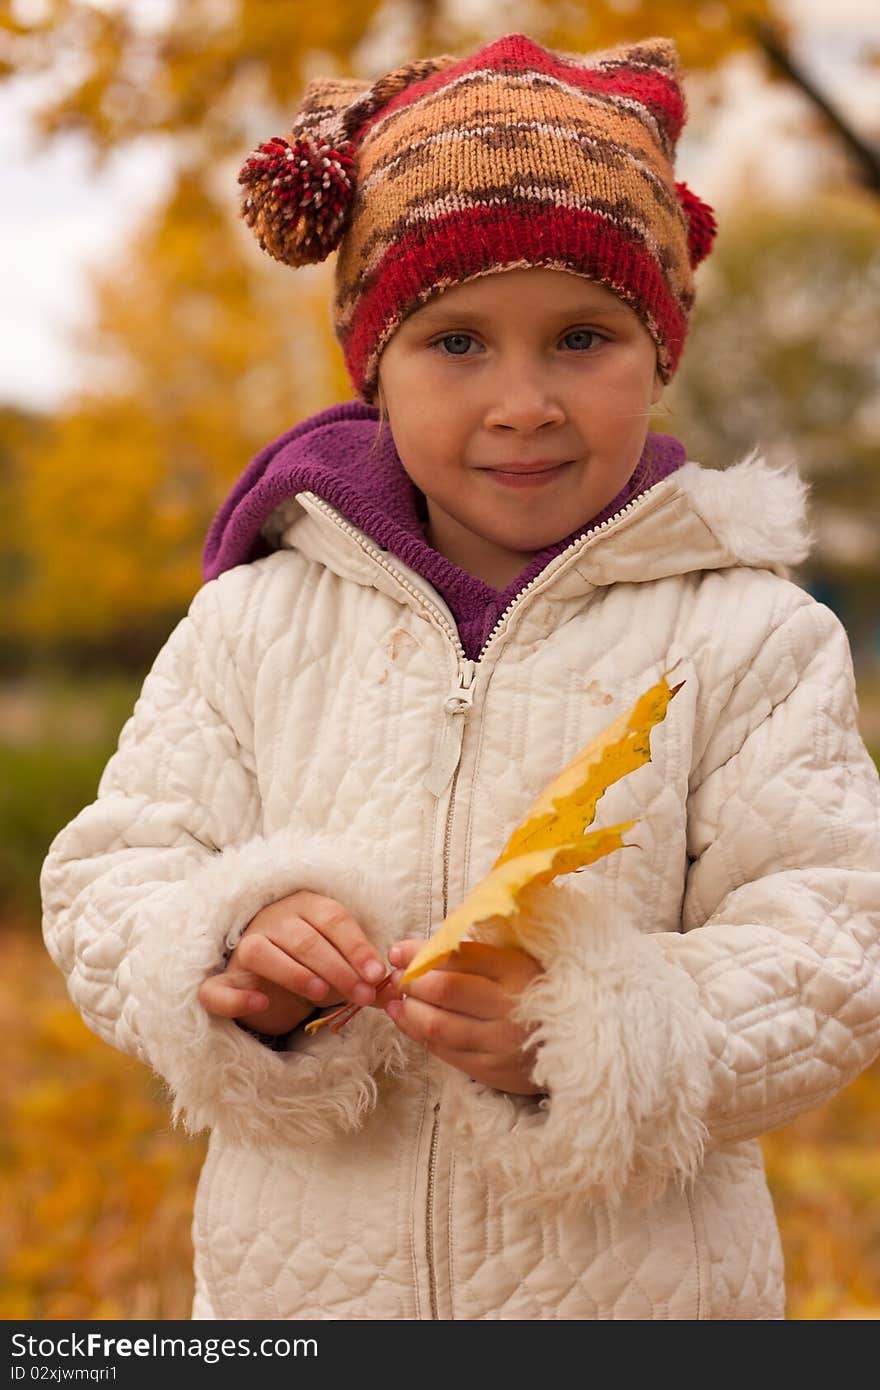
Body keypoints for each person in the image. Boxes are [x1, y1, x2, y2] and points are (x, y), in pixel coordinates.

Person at [40, 32, 880, 1321]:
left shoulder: (750, 638)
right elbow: (114, 869)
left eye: (584, 337)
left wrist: (603, 1029)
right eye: (459, 344)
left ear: (661, 356)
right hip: (302, 1303)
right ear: (373, 364)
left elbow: (834, 935)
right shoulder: (256, 621)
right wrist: (221, 949)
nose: (526, 401)